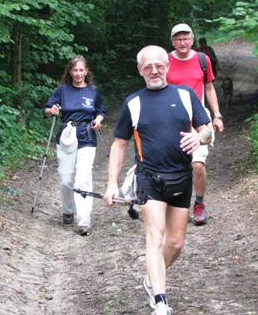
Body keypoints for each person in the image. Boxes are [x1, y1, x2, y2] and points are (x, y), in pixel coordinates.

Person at [104, 45, 214, 315]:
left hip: (181, 177)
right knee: (155, 236)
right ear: (140, 70)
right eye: (147, 66)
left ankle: (152, 279)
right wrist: (111, 183)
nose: (154, 70)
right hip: (149, 177)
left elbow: (208, 130)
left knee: (175, 243)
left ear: (168, 66)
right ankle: (161, 300)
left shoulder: (186, 96)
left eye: (159, 65)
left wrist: (199, 137)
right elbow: (119, 144)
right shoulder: (134, 102)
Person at [167, 23, 224, 226]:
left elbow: (209, 88)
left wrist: (216, 115)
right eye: (178, 38)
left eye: (186, 38)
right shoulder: (165, 61)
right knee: (174, 166)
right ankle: (173, 207)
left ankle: (199, 204)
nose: (183, 42)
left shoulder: (202, 59)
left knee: (197, 165)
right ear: (172, 41)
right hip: (171, 121)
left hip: (198, 120)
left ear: (192, 39)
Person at [44, 55, 106, 236]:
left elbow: (101, 111)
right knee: (66, 180)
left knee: (83, 178)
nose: (78, 74)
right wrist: (52, 110)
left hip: (87, 137)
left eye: (81, 70)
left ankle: (84, 220)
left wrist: (98, 120)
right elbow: (47, 109)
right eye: (75, 70)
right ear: (70, 72)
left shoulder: (93, 92)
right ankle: (68, 209)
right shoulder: (62, 90)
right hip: (67, 137)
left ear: (86, 71)